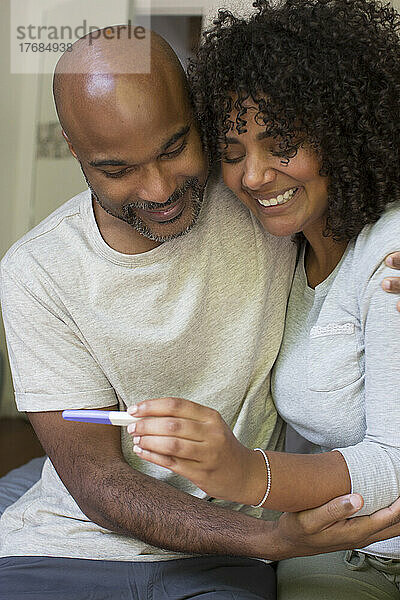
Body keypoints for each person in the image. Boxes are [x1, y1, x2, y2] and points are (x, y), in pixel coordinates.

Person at [0, 22, 400, 600]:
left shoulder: (262, 203)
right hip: (69, 542)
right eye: (118, 169)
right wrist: (272, 542)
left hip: (240, 551)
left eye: (173, 149)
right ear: (75, 151)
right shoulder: (36, 271)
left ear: (197, 117)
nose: (159, 189)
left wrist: (251, 491)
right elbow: (95, 480)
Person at [121, 1, 400, 598]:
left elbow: (397, 466)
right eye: (231, 152)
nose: (252, 176)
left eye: (282, 144)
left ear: (344, 133)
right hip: (341, 546)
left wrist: (246, 473)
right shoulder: (292, 252)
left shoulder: (390, 254)